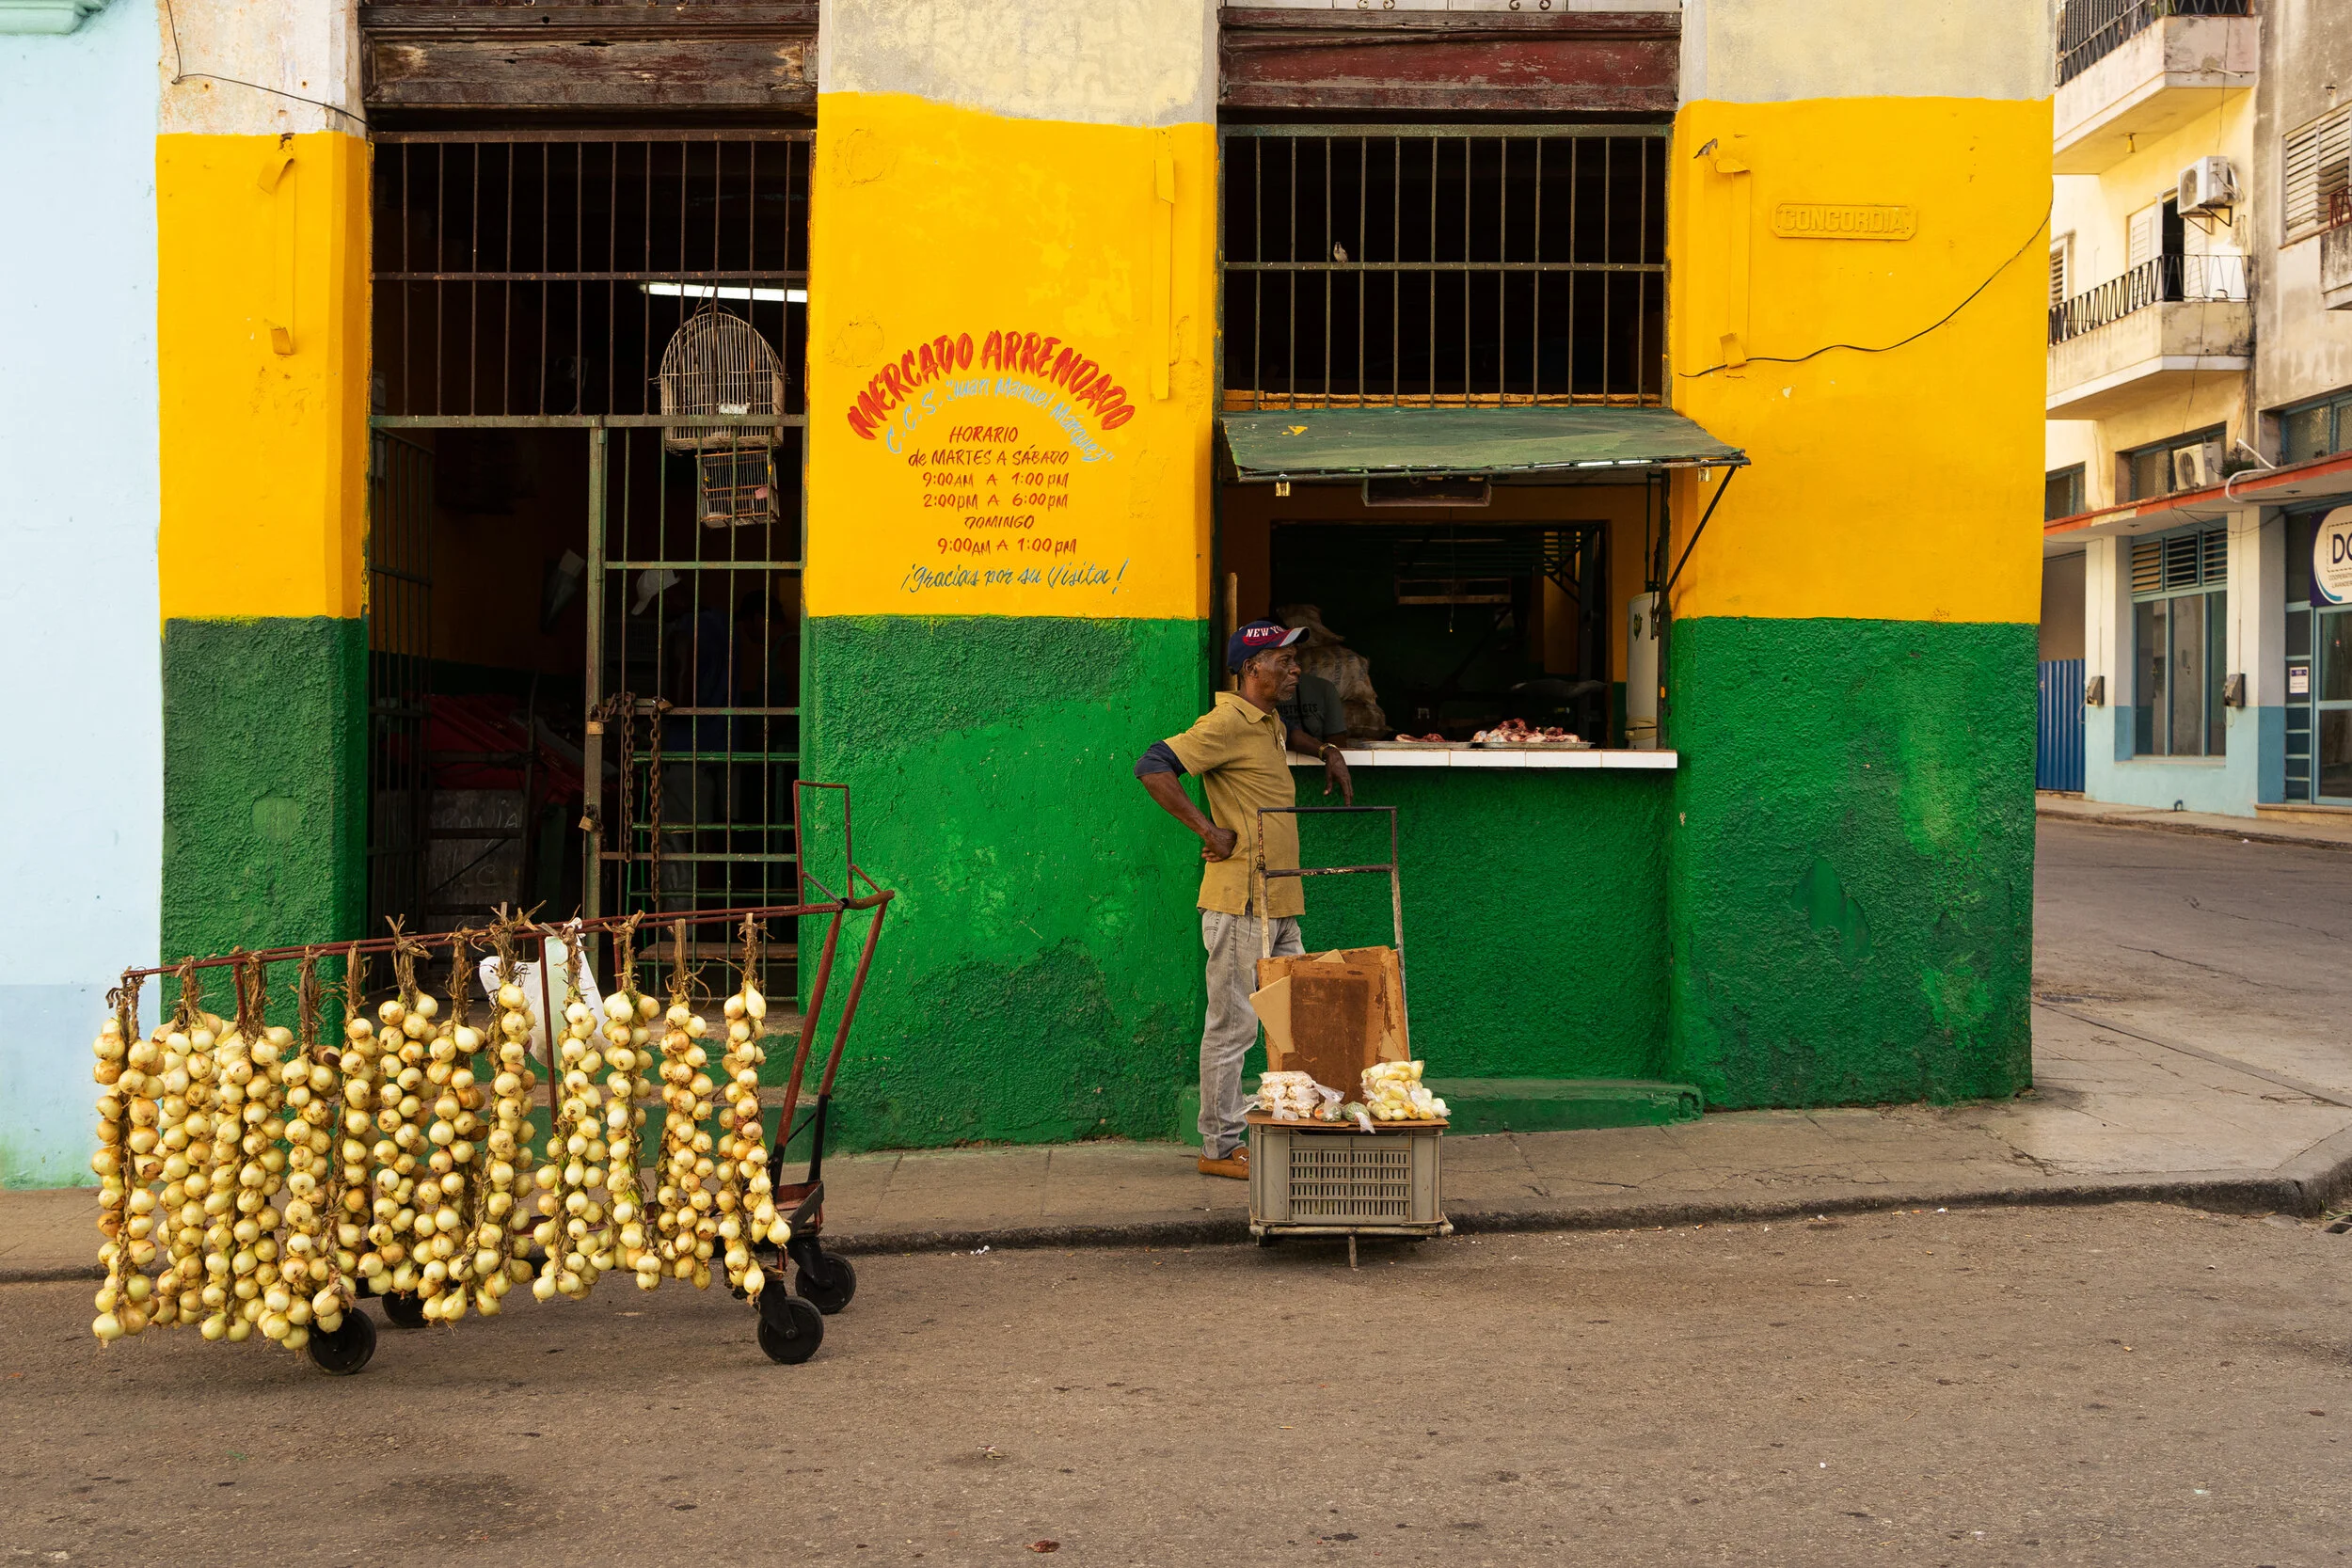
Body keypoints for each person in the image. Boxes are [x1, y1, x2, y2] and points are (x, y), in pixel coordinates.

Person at [1134, 621, 1354, 1180]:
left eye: (1295, 661)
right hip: (1241, 902)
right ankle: (1219, 1147)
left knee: (1293, 1019)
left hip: (1280, 898)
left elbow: (1287, 742)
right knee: (1234, 1026)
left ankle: (1284, 1122)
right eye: (1284, 661)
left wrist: (1326, 748)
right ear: (1252, 668)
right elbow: (1153, 766)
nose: (1296, 669)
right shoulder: (1226, 721)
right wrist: (1210, 832)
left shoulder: (1268, 721)